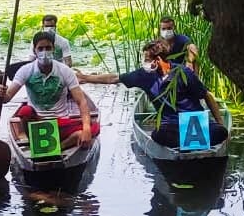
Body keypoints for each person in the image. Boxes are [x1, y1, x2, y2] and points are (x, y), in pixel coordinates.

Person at [76, 40, 226, 148]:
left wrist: (220, 122)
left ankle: (189, 143)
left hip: (194, 123)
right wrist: (85, 78)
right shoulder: (145, 75)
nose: (145, 63)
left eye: (147, 59)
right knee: (158, 134)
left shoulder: (183, 72)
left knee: (221, 132)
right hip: (171, 126)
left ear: (158, 60)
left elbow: (207, 95)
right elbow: (114, 78)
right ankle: (190, 145)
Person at [0, 31, 96, 149]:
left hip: (60, 122)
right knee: (25, 111)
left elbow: (81, 101)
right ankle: (51, 143)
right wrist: (1, 94)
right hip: (37, 123)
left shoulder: (65, 71)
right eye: (40, 48)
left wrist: (87, 128)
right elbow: (7, 98)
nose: (44, 52)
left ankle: (61, 145)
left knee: (94, 127)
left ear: (53, 49)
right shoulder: (26, 70)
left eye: (48, 48)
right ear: (35, 51)